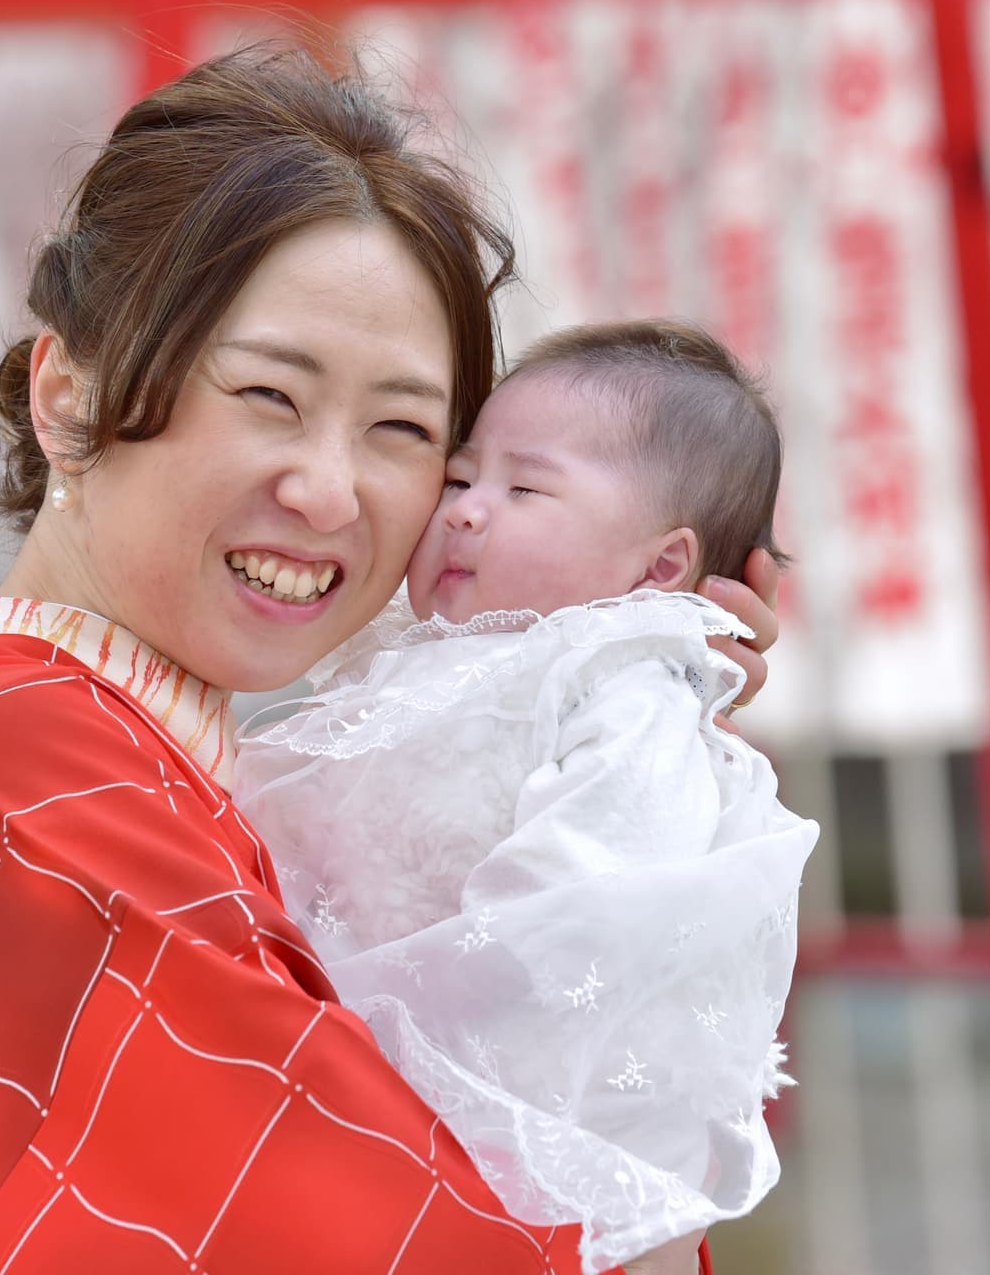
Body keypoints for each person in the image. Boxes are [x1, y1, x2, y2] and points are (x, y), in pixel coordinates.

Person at [0, 48, 780, 1275]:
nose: (330, 489)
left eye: (406, 432)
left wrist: (609, 734)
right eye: (268, 396)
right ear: (68, 397)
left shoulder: (133, 764)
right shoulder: (36, 764)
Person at [237, 320, 820, 1273]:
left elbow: (585, 889)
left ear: (660, 569)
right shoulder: (404, 650)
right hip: (339, 1065)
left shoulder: (624, 681)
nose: (465, 511)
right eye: (460, 480)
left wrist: (434, 1022)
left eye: (525, 488)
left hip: (512, 1089)